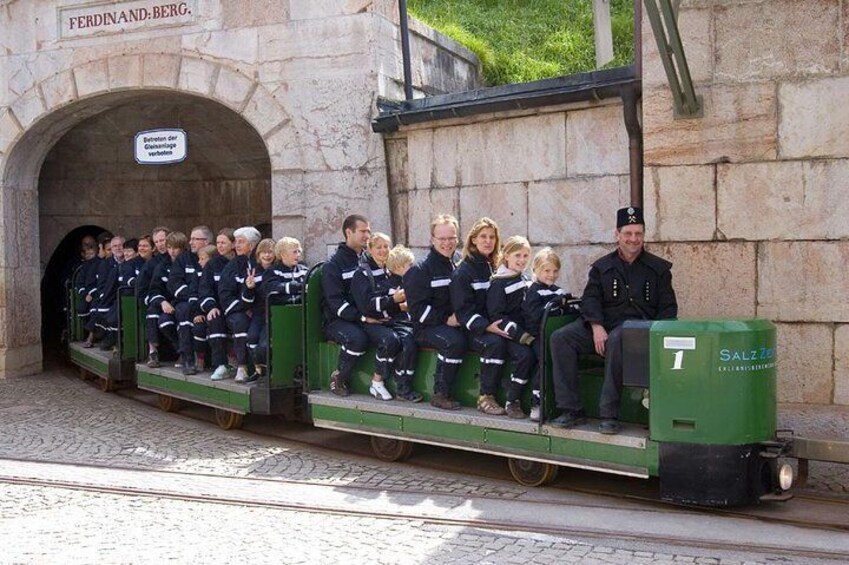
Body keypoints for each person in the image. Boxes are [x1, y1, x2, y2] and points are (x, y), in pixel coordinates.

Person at [549, 207, 678, 434]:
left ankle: (609, 414)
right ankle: (571, 409)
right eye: (628, 234)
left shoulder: (658, 269)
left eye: (638, 234)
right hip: (604, 326)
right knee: (562, 338)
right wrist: (596, 326)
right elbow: (590, 299)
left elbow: (668, 309)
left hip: (638, 332)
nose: (633, 239)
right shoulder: (602, 267)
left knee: (620, 337)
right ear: (617, 234)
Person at [405, 214, 466, 410]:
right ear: (432, 239)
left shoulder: (460, 263)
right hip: (427, 328)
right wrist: (446, 319)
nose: (447, 243)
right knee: (454, 342)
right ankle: (441, 393)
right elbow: (417, 311)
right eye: (442, 239)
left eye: (452, 238)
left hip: (456, 322)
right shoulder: (420, 270)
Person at [450, 217, 509, 416]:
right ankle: (486, 396)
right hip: (472, 329)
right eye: (483, 236)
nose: (488, 241)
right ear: (473, 240)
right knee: (495, 344)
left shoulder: (496, 266)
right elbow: (463, 311)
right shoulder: (464, 271)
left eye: (492, 237)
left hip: (496, 322)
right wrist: (487, 327)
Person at [350, 233, 405, 401]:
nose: (383, 250)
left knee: (410, 338)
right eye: (378, 247)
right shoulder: (362, 273)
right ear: (370, 249)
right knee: (390, 340)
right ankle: (377, 382)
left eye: (386, 246)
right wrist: (393, 301)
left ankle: (403, 383)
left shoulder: (392, 269)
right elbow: (366, 305)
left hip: (393, 319)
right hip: (371, 321)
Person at [245, 237, 308, 383]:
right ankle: (266, 372)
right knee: (263, 347)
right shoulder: (273, 272)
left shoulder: (304, 271)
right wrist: (294, 288)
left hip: (299, 317)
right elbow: (270, 289)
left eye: (299, 251)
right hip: (277, 319)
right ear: (283, 254)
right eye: (294, 252)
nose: (298, 255)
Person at [322, 214, 371, 396]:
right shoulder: (333, 265)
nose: (367, 235)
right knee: (357, 339)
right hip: (338, 321)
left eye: (368, 231)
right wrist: (362, 317)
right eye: (363, 231)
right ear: (348, 232)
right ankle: (339, 377)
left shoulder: (367, 259)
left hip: (366, 315)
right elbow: (335, 303)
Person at [487, 235, 536, 419]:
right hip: (507, 335)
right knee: (525, 356)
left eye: (525, 256)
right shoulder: (499, 283)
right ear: (506, 255)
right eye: (517, 255)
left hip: (526, 330)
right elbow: (497, 317)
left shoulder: (524, 277)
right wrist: (522, 336)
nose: (522, 260)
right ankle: (512, 399)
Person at [522, 247, 569, 422]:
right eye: (546, 270)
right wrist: (554, 305)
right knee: (543, 363)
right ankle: (536, 404)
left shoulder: (558, 291)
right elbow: (534, 316)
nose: (551, 275)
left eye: (555, 271)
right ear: (535, 270)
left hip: (555, 336)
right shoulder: (534, 291)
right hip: (538, 337)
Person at [218, 226, 261, 383]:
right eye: (236, 242)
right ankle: (242, 367)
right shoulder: (231, 267)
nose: (236, 245)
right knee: (241, 322)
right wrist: (244, 307)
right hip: (236, 311)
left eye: (241, 242)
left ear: (252, 245)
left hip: (256, 310)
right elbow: (225, 295)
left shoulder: (259, 263)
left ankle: (260, 368)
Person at [169, 225, 212, 375]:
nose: (191, 242)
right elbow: (174, 283)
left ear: (206, 242)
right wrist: (193, 298)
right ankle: (188, 358)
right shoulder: (183, 259)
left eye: (195, 239)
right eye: (191, 239)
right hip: (186, 301)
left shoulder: (212, 259)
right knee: (184, 312)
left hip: (208, 303)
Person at [384, 244, 421, 402]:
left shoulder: (410, 281)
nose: (413, 268)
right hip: (398, 323)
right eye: (409, 265)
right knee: (408, 342)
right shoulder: (394, 286)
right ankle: (402, 385)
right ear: (398, 267)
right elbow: (400, 304)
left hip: (409, 321)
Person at [145, 231, 186, 368]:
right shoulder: (161, 266)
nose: (172, 251)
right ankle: (153, 351)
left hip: (182, 302)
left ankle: (184, 353)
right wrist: (162, 302)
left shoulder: (189, 263)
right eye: (170, 248)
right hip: (166, 303)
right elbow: (154, 289)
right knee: (153, 312)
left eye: (176, 248)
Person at [198, 242, 232, 381]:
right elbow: (204, 290)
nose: (220, 246)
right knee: (214, 319)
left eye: (224, 242)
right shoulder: (212, 265)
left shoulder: (242, 263)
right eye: (218, 243)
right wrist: (210, 306)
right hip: (218, 308)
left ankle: (242, 365)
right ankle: (221, 364)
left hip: (237, 308)